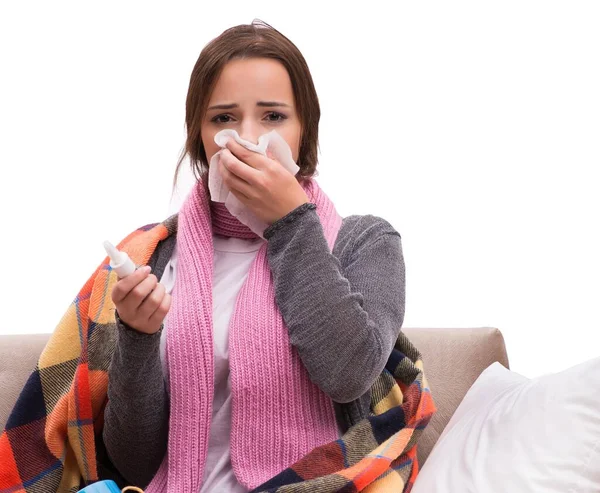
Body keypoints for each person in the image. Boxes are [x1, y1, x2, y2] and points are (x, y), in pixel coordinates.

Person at [99, 19, 406, 492]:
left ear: (306, 128)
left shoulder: (365, 243)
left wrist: (289, 222)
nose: (246, 138)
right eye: (223, 118)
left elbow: (349, 375)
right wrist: (138, 337)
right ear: (198, 136)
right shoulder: (156, 255)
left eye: (273, 116)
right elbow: (136, 463)